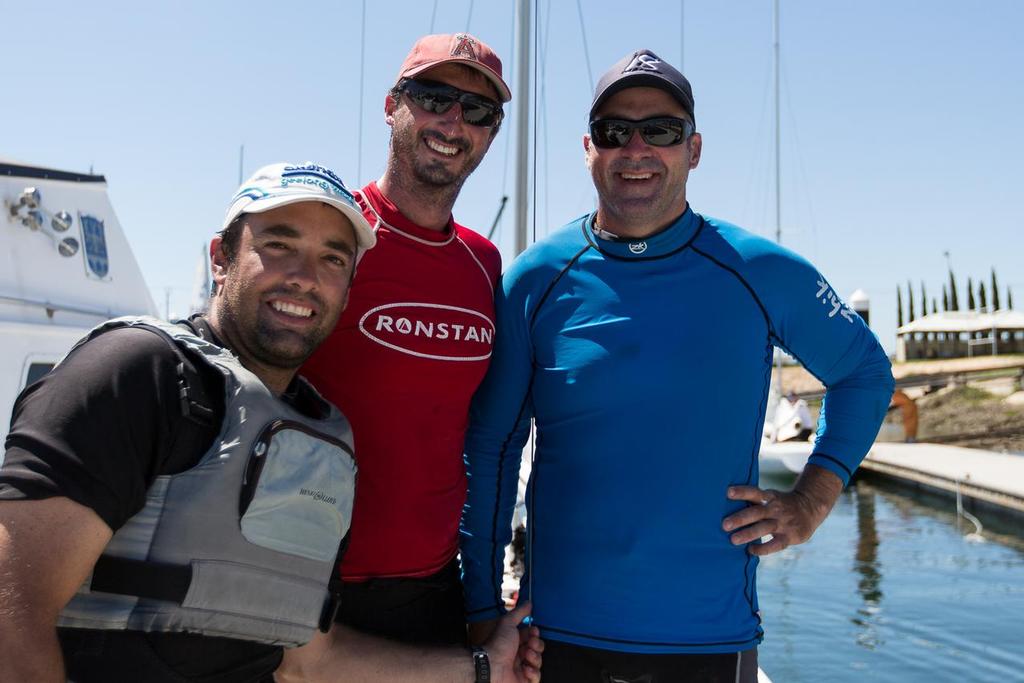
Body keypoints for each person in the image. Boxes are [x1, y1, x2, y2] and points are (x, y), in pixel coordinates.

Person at [0, 162, 541, 683]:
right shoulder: (138, 374)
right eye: (279, 246)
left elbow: (309, 664)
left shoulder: (319, 437)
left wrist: (485, 670)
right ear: (221, 257)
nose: (305, 278)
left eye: (333, 259)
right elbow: (11, 612)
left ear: (349, 289)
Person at [460, 49, 895, 682]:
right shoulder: (536, 280)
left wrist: (814, 496)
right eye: (615, 131)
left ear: (693, 149)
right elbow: (492, 447)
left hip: (710, 641)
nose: (636, 148)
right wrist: (480, 609)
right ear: (589, 148)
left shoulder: (759, 271)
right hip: (555, 641)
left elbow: (864, 373)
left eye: (660, 130)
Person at [301, 33, 509, 646]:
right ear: (393, 104)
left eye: (477, 111)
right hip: (308, 575)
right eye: (434, 97)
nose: (454, 120)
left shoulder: (484, 263)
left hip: (433, 588)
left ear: (491, 134)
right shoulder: (334, 233)